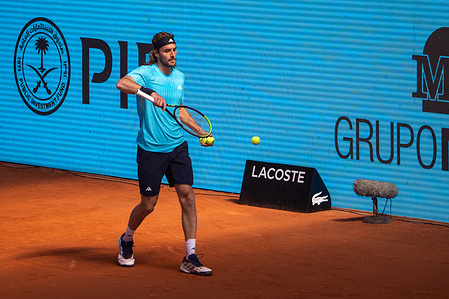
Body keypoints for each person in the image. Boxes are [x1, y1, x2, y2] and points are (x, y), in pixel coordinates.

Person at [115, 31, 212, 276]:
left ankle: (190, 256)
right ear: (156, 53)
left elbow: (180, 111)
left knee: (187, 195)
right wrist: (148, 92)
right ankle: (126, 239)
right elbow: (122, 83)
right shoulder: (146, 72)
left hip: (177, 146)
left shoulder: (179, 77)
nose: (173, 55)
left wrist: (200, 132)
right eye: (168, 51)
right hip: (150, 148)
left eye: (175, 50)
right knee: (148, 205)